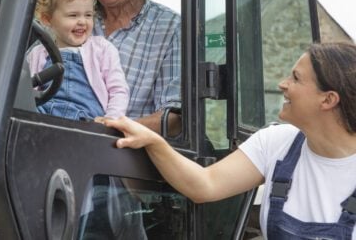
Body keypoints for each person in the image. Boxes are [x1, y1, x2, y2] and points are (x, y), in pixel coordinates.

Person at [104, 42, 356, 239]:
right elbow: (205, 185)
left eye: (296, 79)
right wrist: (153, 141)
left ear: (328, 100)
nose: (283, 84)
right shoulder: (276, 143)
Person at [86, 0, 181, 132]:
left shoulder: (171, 28)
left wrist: (106, 131)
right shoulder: (68, 21)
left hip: (130, 156)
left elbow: (174, 119)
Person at [27, 0, 129, 121]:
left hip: (87, 118)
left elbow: (118, 90)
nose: (82, 21)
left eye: (88, 15)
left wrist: (111, 119)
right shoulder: (37, 53)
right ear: (47, 19)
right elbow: (28, 90)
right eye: (73, 15)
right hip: (44, 115)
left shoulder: (102, 49)